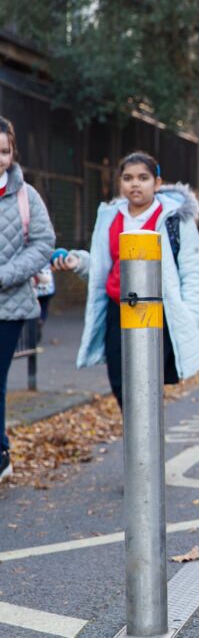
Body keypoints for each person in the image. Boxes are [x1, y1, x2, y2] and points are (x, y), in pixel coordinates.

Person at [52, 151, 199, 411]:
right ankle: (140, 442)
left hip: (158, 312)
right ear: (120, 183)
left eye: (143, 177)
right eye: (127, 178)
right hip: (119, 310)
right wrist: (79, 263)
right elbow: (106, 266)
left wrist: (191, 315)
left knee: (147, 384)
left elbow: (194, 272)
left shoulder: (174, 219)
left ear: (157, 183)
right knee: (120, 381)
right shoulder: (110, 217)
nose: (135, 184)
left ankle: (148, 446)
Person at [0, 117, 56, 481]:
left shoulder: (26, 196)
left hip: (9, 306)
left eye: (4, 151)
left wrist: (5, 275)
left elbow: (43, 243)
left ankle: (1, 455)